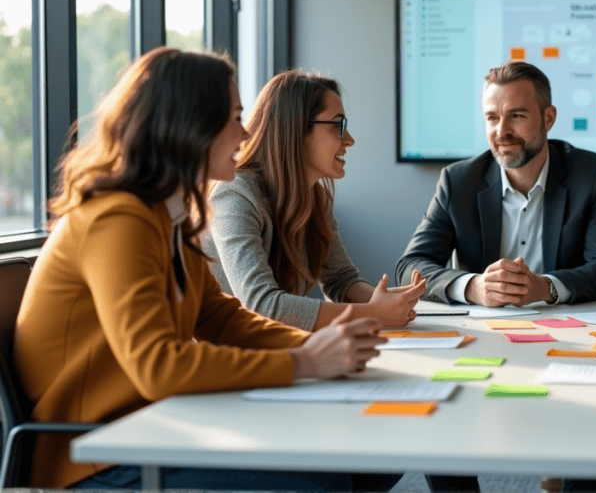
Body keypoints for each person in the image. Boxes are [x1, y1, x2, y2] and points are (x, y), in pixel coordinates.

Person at [14, 48, 390, 491]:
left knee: (371, 465)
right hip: (95, 453)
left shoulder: (169, 217)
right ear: (190, 127)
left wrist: (329, 353)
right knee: (322, 482)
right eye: (234, 118)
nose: (246, 132)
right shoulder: (115, 220)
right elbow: (158, 365)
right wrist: (304, 359)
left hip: (156, 426)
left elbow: (220, 317)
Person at [202, 70, 424, 331]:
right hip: (232, 359)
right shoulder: (234, 194)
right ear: (295, 129)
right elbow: (262, 305)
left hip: (277, 349)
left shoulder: (314, 196)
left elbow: (341, 280)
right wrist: (374, 314)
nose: (349, 140)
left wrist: (392, 303)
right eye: (337, 125)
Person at [396, 60, 596, 307]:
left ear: (548, 118)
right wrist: (474, 287)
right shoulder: (458, 181)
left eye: (516, 116)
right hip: (483, 329)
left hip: (565, 327)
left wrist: (544, 287)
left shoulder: (590, 175)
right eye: (492, 118)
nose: (501, 131)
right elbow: (410, 267)